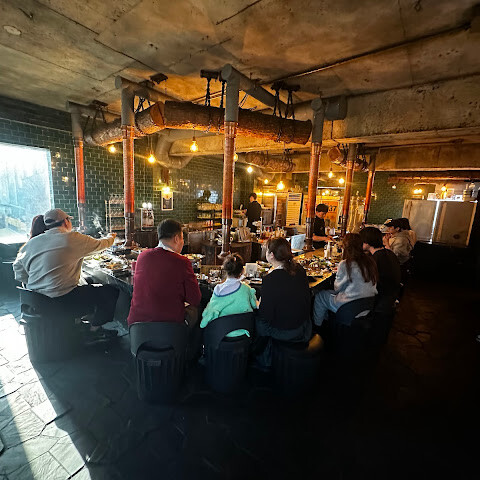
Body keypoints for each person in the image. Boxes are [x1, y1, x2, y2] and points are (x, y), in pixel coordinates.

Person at [13, 208, 119, 339]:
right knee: (110, 292)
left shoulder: (32, 243)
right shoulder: (72, 238)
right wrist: (111, 236)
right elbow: (101, 245)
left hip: (37, 302)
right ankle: (94, 331)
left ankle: (79, 323)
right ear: (66, 221)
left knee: (88, 285)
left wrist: (36, 283)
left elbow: (17, 269)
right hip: (63, 302)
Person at [127, 219, 202, 354]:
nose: (182, 242)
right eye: (182, 238)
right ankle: (190, 354)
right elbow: (195, 299)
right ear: (177, 238)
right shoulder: (182, 262)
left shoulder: (142, 256)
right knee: (195, 311)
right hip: (169, 330)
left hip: (137, 330)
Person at [255, 237, 312, 368]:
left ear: (271, 255)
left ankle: (264, 357)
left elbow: (266, 315)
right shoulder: (299, 269)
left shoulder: (271, 279)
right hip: (304, 326)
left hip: (287, 331)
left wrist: (259, 304)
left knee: (258, 321)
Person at [314, 233, 378, 326]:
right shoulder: (370, 261)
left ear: (345, 247)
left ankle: (318, 327)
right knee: (328, 294)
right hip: (367, 305)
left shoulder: (345, 264)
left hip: (349, 306)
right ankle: (329, 322)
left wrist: (339, 273)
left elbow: (337, 288)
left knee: (320, 296)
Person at [200, 253, 257, 337]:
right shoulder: (247, 289)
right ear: (242, 271)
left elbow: (210, 312)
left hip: (220, 335)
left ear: (225, 269)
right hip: (243, 334)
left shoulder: (218, 290)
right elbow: (255, 305)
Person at [359, 227, 401, 313]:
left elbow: (366, 283)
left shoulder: (375, 259)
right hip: (391, 297)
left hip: (379, 300)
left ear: (367, 242)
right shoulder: (389, 253)